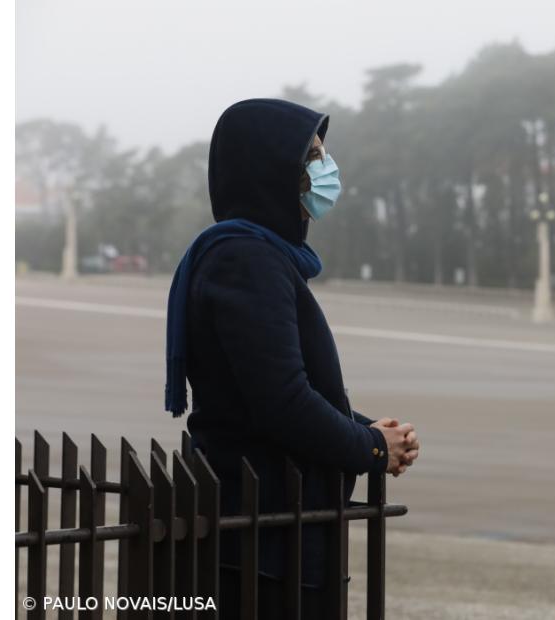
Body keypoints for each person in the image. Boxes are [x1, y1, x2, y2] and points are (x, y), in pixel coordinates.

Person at [163, 98, 420, 618]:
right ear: (271, 169)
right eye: (313, 158)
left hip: (271, 534)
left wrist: (373, 430)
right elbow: (280, 401)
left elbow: (267, 389)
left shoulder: (261, 255)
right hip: (262, 545)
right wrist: (371, 448)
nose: (326, 171)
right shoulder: (246, 259)